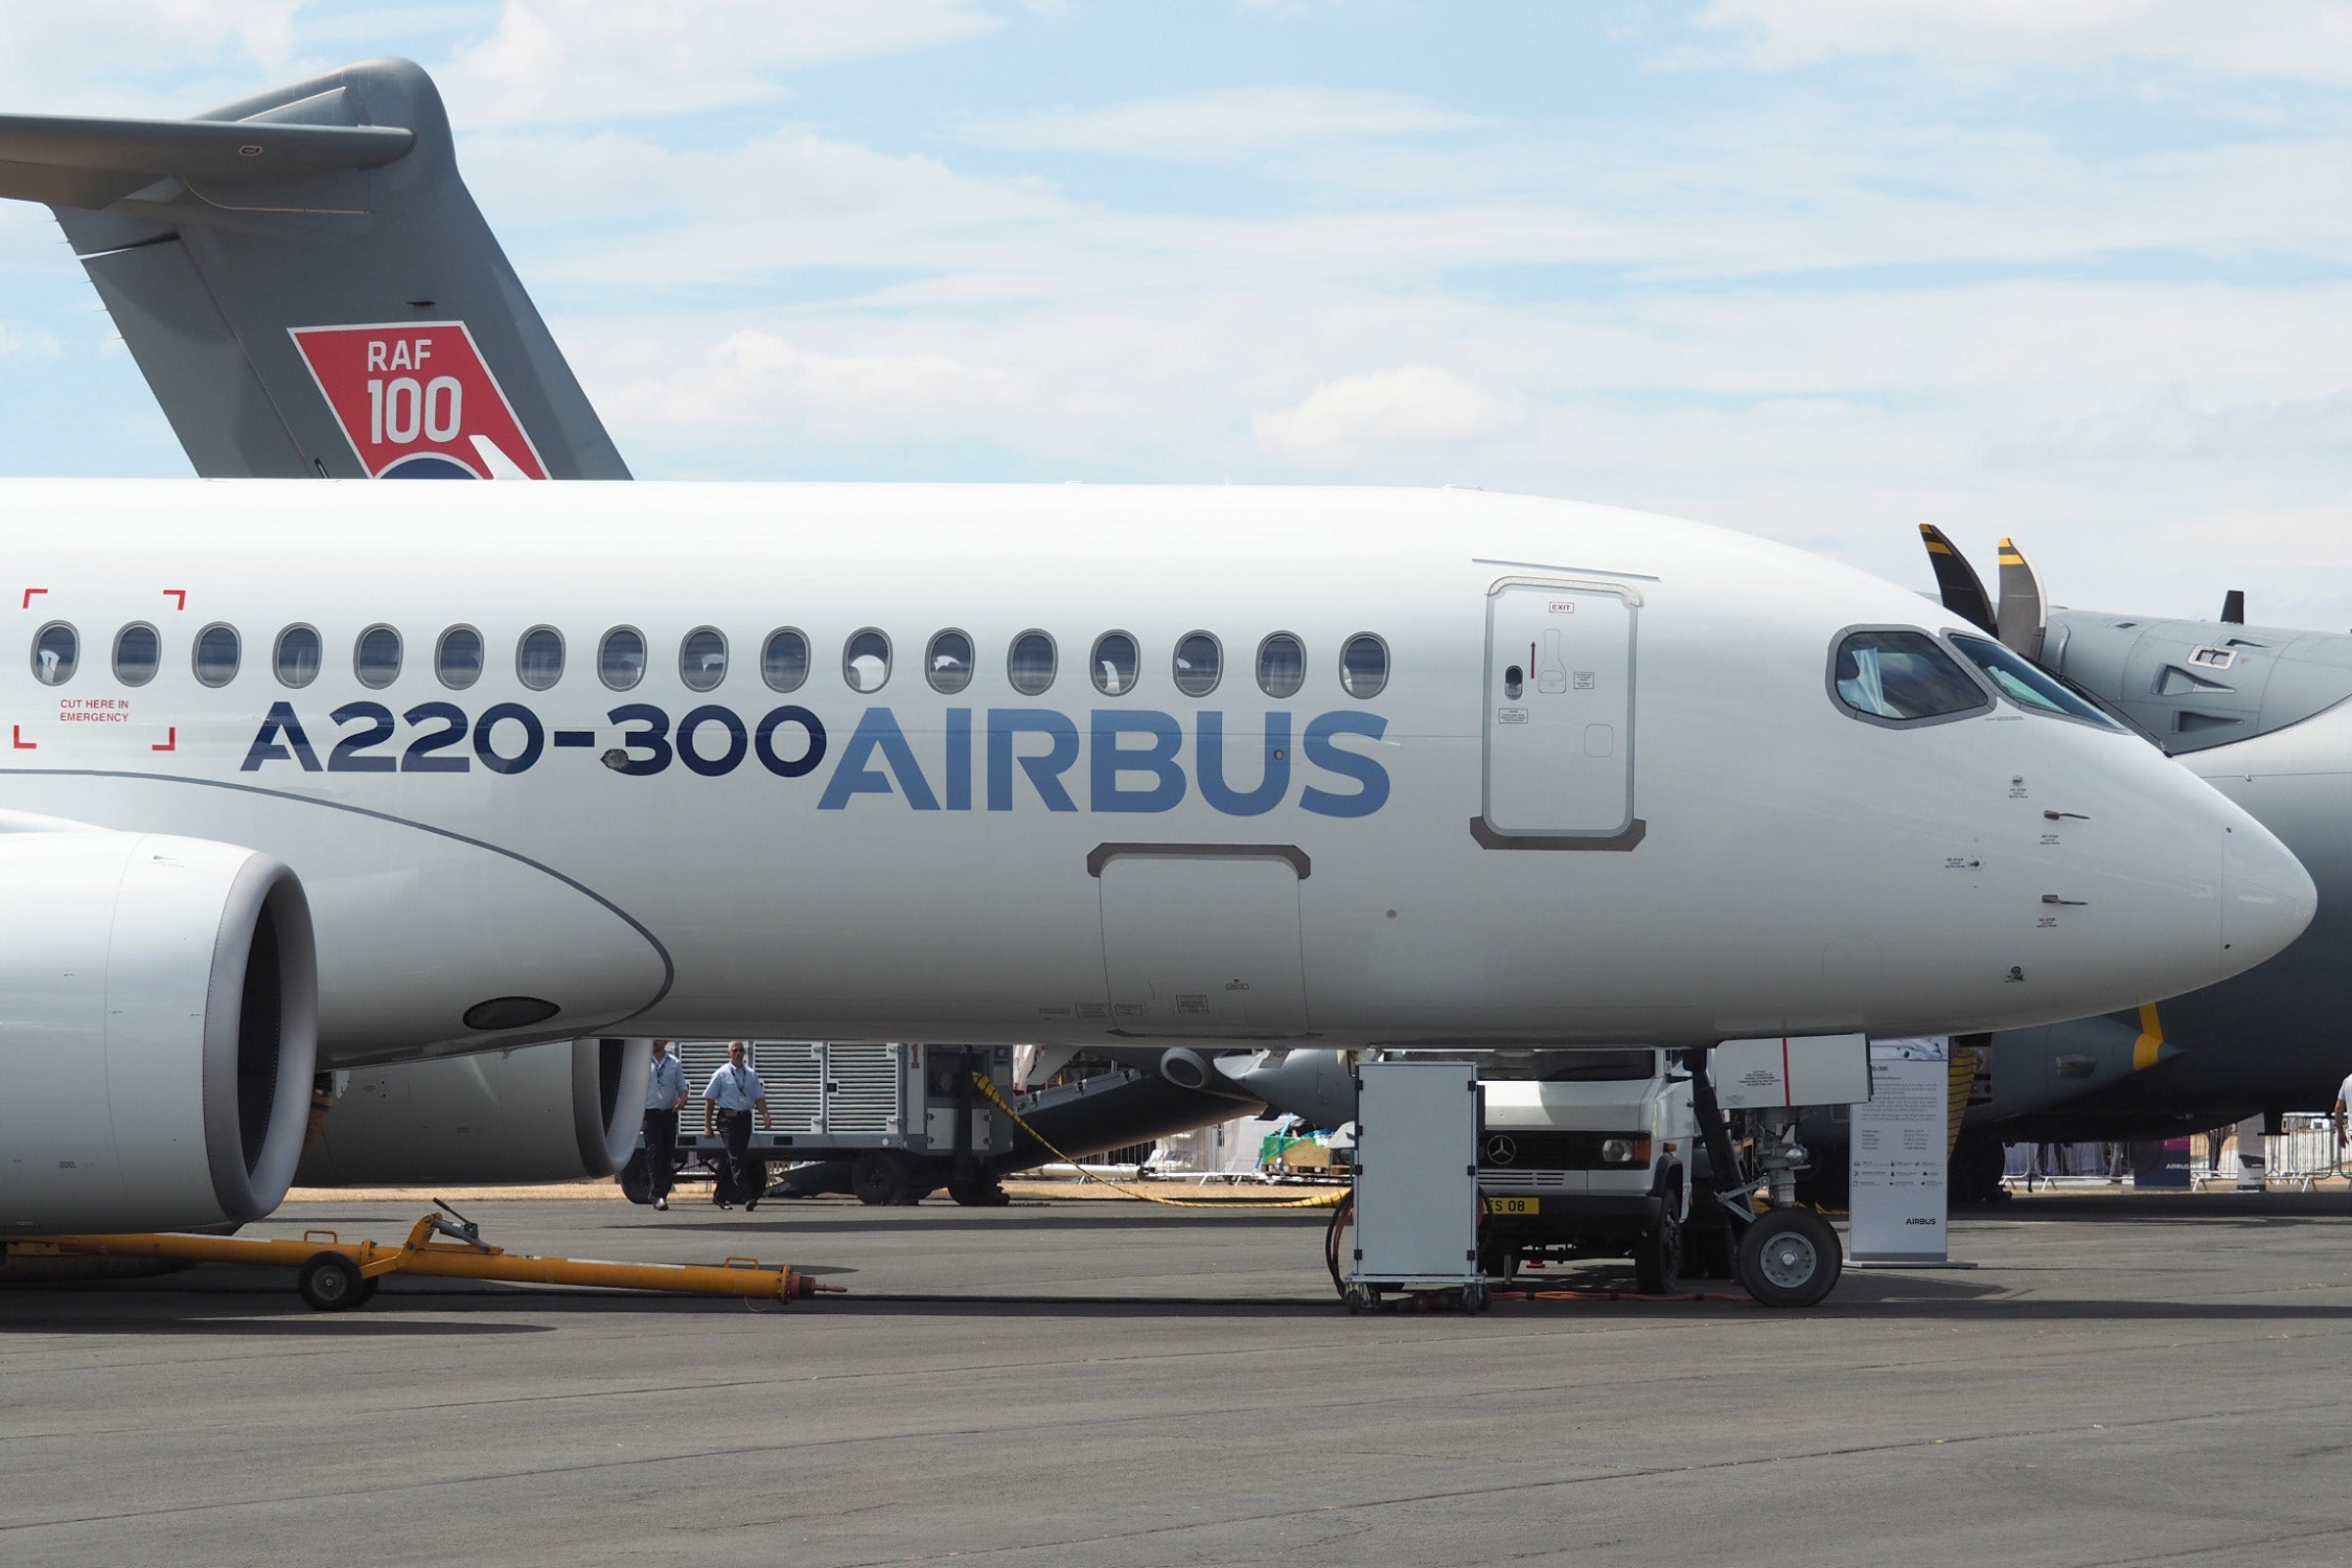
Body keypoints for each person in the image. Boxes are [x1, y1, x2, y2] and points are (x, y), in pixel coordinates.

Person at [701, 1039, 773, 1211]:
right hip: (727, 1119)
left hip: (744, 1119)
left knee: (733, 1158)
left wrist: (765, 1114)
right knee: (736, 1158)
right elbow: (710, 1100)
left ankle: (719, 1196)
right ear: (729, 1053)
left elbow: (759, 1097)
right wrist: (707, 1125)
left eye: (741, 1050)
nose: (738, 1053)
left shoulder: (751, 1074)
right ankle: (748, 1196)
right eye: (735, 1050)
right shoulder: (721, 1073)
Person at [641, 1038, 687, 1210]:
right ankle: (656, 1193)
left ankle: (663, 1193)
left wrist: (682, 1099)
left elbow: (682, 1086)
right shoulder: (643, 1062)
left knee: (668, 1154)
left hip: (668, 1113)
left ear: (665, 1041)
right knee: (655, 1152)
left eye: (658, 1038)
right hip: (650, 1113)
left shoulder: (674, 1063)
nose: (654, 1041)